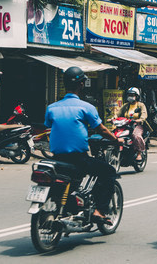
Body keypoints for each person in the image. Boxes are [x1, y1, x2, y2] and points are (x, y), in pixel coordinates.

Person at [45, 66, 117, 223]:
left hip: (56, 157)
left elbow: (51, 125)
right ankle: (99, 211)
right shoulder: (87, 107)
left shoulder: (51, 108)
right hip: (77, 158)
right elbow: (102, 130)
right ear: (82, 85)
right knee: (109, 172)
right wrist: (116, 140)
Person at [114, 87, 147, 161]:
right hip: (126, 125)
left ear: (137, 96)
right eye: (129, 95)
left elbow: (144, 115)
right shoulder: (126, 105)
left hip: (137, 125)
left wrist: (140, 119)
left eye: (132, 95)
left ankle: (139, 153)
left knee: (136, 135)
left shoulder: (141, 105)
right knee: (115, 134)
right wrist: (113, 118)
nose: (130, 97)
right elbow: (118, 113)